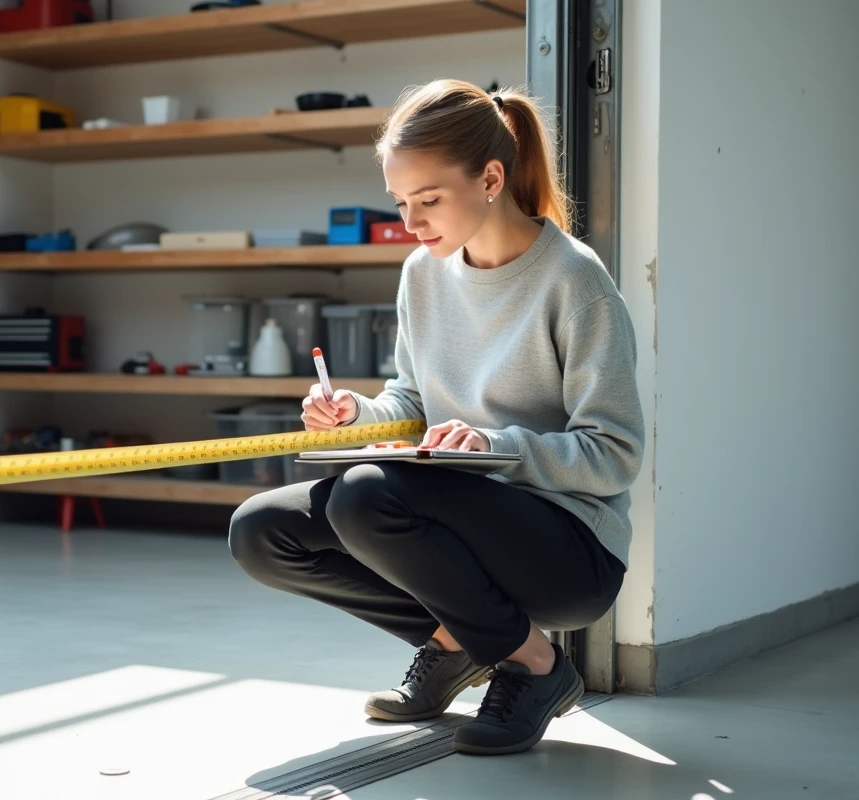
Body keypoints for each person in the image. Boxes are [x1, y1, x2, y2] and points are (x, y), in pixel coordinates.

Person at [228, 78, 644, 756]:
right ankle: (463, 641)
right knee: (260, 532)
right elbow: (411, 403)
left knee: (365, 497)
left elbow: (614, 453)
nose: (412, 223)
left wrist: (495, 446)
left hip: (572, 548)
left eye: (428, 200)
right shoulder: (423, 273)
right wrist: (353, 414)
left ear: (489, 178)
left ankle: (536, 666)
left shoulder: (575, 281)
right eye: (400, 203)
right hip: (460, 516)